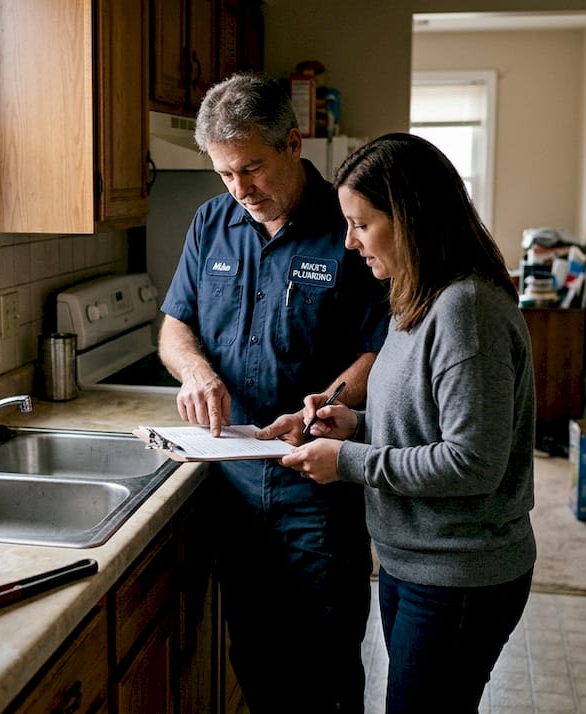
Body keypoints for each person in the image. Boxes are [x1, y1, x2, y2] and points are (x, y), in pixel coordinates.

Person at [260, 133, 537, 713]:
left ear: (409, 219)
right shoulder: (417, 299)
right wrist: (351, 425)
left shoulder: (467, 310)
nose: (349, 241)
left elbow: (473, 462)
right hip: (415, 564)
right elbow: (425, 421)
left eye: (361, 224)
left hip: (460, 575)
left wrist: (348, 463)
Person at [158, 73, 389, 714]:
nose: (241, 190)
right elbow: (175, 327)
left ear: (293, 142)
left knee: (324, 669)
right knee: (254, 662)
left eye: (252, 169)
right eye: (225, 174)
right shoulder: (212, 223)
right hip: (229, 485)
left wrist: (328, 397)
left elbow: (381, 344)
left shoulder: (347, 224)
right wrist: (197, 373)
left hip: (315, 485)